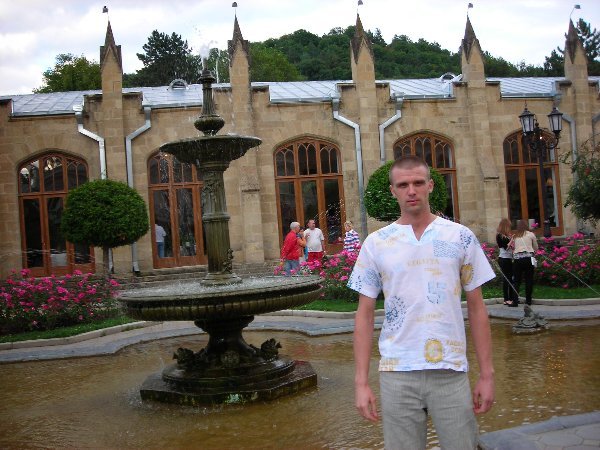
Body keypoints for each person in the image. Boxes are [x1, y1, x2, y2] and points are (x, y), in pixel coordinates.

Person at [349, 155, 495, 449]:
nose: (411, 191)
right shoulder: (376, 244)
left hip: (450, 370)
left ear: (430, 185)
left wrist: (487, 375)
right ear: (393, 191)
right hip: (397, 372)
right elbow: (364, 315)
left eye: (418, 182)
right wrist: (361, 382)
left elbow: (477, 308)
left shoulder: (459, 237)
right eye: (403, 185)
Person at [512, 219, 539, 306]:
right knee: (529, 279)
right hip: (528, 258)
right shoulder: (531, 234)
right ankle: (528, 300)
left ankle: (515, 301)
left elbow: (513, 247)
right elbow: (536, 247)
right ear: (526, 226)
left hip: (518, 259)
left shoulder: (515, 236)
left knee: (516, 281)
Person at [496, 218, 519, 307]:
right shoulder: (500, 236)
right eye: (509, 226)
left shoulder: (506, 236)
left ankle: (511, 298)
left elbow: (510, 247)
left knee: (510, 278)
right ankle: (506, 299)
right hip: (503, 259)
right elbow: (505, 247)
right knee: (507, 279)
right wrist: (512, 240)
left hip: (508, 258)